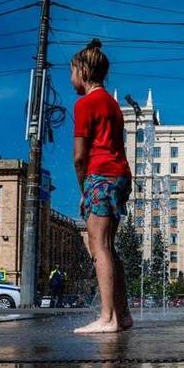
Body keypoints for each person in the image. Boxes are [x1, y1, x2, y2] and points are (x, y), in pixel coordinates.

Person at [71, 39, 133, 334]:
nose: (70, 78)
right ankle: (122, 315)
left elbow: (80, 156)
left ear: (83, 71)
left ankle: (107, 318)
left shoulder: (85, 104)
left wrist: (84, 189)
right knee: (109, 246)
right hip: (120, 176)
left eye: (71, 71)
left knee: (99, 246)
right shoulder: (111, 103)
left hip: (102, 176)